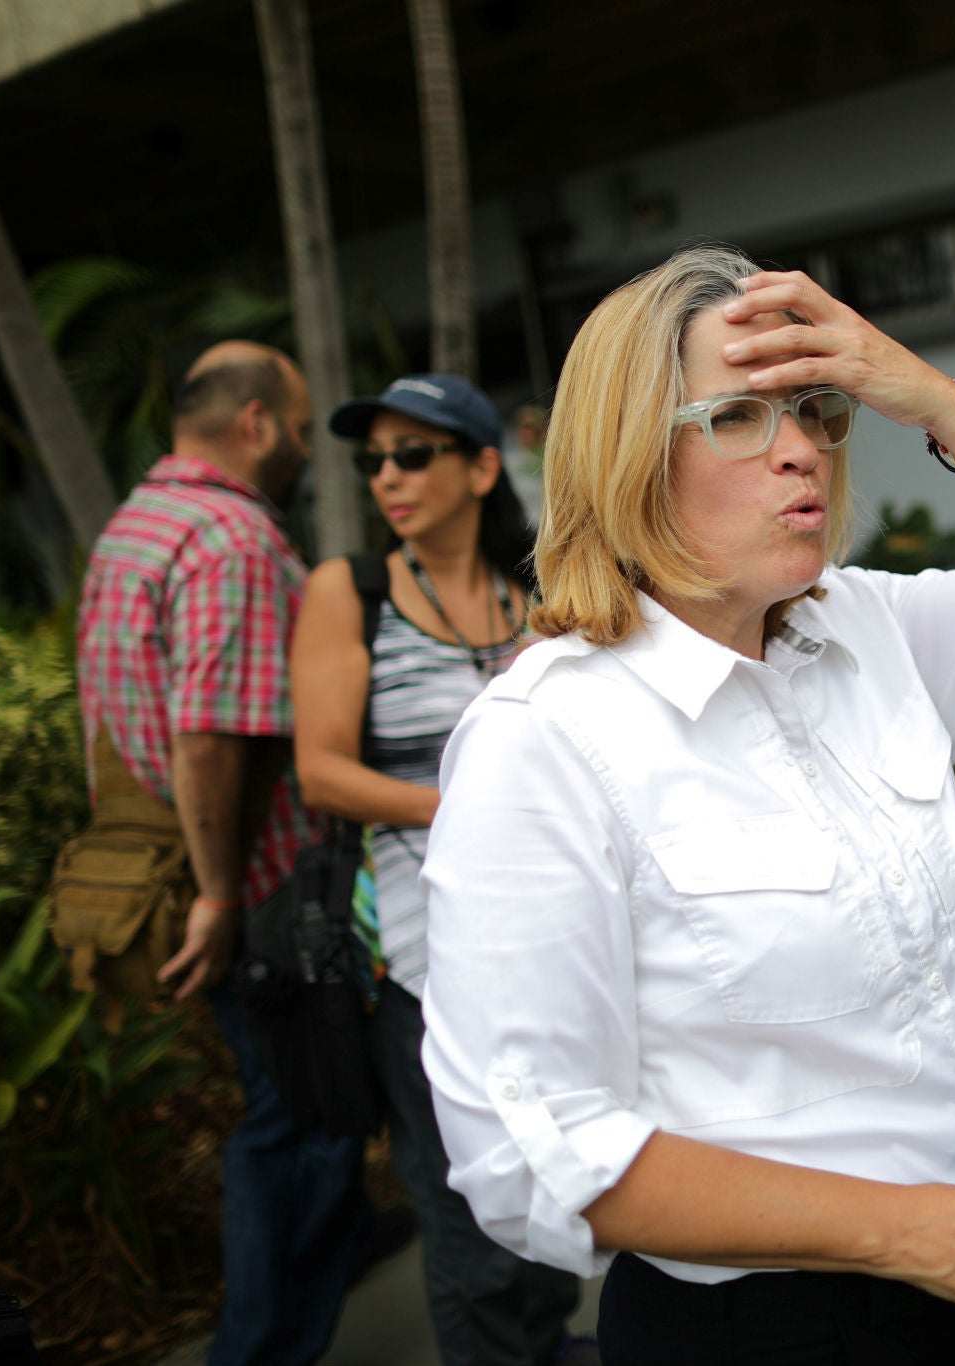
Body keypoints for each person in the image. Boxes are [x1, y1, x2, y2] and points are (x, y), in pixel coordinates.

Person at [417, 243, 955, 1366]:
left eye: (816, 410)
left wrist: (933, 400)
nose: (801, 453)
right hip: (758, 1327)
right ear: (630, 452)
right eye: (736, 418)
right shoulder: (546, 738)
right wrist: (907, 1231)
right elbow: (536, 1150)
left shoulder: (860, 631)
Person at [75, 341, 375, 1366]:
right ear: (253, 424)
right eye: (297, 429)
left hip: (190, 874)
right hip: (263, 890)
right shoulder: (235, 540)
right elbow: (205, 733)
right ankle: (256, 1353)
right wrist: (217, 895)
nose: (303, 448)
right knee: (309, 1131)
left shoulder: (137, 525)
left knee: (280, 1118)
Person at [289, 373, 593, 1366]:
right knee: (465, 1201)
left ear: (477, 465)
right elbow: (322, 770)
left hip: (551, 933)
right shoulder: (351, 592)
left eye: (411, 454)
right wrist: (466, 808)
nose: (387, 476)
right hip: (420, 954)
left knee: (563, 1170)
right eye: (372, 459)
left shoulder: (535, 588)